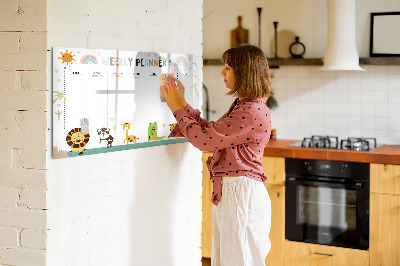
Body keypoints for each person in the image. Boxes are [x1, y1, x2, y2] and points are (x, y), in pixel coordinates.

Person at [161, 44, 273, 266]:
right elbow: (212, 133)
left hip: (241, 195)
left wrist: (176, 108)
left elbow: (204, 141)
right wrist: (182, 104)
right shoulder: (246, 106)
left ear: (244, 72)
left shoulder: (250, 111)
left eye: (228, 67)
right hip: (236, 193)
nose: (222, 72)